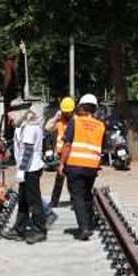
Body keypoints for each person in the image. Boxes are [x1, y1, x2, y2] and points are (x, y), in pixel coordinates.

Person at [58, 94, 105, 241]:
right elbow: (102, 147)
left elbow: (67, 144)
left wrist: (61, 163)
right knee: (86, 195)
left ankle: (84, 228)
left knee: (77, 196)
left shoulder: (75, 121)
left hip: (75, 165)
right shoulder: (100, 125)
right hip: (92, 166)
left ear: (82, 107)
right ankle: (89, 224)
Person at [2, 99, 47, 244]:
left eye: (12, 114)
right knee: (23, 200)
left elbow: (28, 151)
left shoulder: (29, 128)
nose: (10, 117)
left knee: (34, 201)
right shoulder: (23, 126)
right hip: (27, 168)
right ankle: (19, 229)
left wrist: (21, 170)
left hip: (30, 169)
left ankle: (39, 230)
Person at [45, 97, 75, 207]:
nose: (66, 113)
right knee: (59, 179)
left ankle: (74, 202)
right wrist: (55, 117)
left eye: (68, 112)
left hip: (72, 154)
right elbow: (47, 128)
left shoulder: (76, 120)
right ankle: (54, 201)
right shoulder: (59, 120)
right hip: (59, 155)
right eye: (64, 111)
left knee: (72, 180)